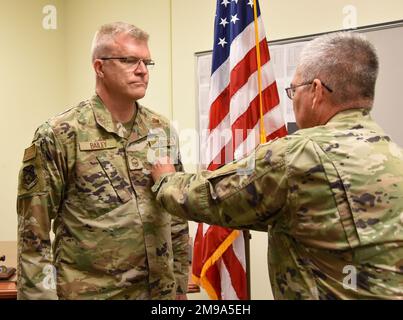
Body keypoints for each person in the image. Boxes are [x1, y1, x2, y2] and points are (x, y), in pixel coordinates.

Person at [151, 32, 403, 299]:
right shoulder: (392, 152)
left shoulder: (297, 155)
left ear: (316, 91)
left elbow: (215, 197)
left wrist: (167, 181)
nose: (292, 100)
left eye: (293, 90)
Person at [16, 22, 189, 300]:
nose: (142, 70)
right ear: (99, 67)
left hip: (159, 294)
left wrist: (180, 286)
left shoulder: (161, 130)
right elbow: (33, 236)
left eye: (147, 62)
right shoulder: (60, 133)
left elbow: (176, 214)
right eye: (129, 60)